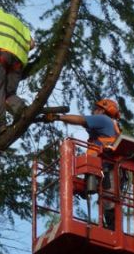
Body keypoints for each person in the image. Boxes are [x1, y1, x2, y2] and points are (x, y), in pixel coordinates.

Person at [45, 98, 122, 229]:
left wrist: (58, 117)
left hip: (108, 168)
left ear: (102, 110)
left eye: (96, 109)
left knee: (109, 203)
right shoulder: (106, 127)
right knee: (106, 200)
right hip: (103, 167)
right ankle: (110, 228)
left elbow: (81, 120)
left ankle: (112, 230)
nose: (93, 111)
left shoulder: (103, 119)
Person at [0, 7, 35, 134]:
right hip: (17, 61)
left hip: (0, 54)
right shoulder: (21, 27)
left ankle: (0, 125)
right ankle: (21, 109)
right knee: (8, 93)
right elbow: (32, 44)